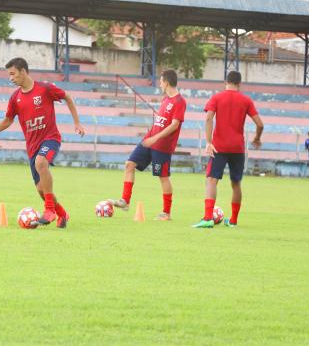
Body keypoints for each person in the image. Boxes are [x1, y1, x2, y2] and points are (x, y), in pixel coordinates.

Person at [0, 57, 85, 228]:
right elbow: (9, 119)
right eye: (9, 75)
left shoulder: (45, 89)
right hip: (32, 146)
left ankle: (49, 211)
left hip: (51, 138)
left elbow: (68, 97)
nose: (10, 78)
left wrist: (77, 123)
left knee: (42, 162)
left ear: (23, 72)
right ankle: (62, 214)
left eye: (13, 74)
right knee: (42, 190)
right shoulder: (15, 98)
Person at [110, 69, 187, 220]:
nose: (159, 83)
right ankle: (125, 201)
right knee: (129, 164)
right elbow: (160, 122)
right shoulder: (166, 99)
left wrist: (155, 138)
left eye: (161, 80)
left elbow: (174, 125)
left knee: (163, 177)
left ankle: (166, 213)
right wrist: (149, 137)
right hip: (149, 141)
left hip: (162, 146)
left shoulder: (179, 101)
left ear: (166, 82)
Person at [193, 70, 263, 228]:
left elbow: (209, 117)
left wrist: (209, 142)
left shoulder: (217, 97)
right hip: (238, 148)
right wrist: (257, 138)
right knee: (236, 183)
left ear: (225, 82)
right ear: (239, 84)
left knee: (212, 179)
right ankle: (233, 221)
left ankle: (207, 218)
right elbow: (260, 124)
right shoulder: (246, 100)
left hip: (219, 146)